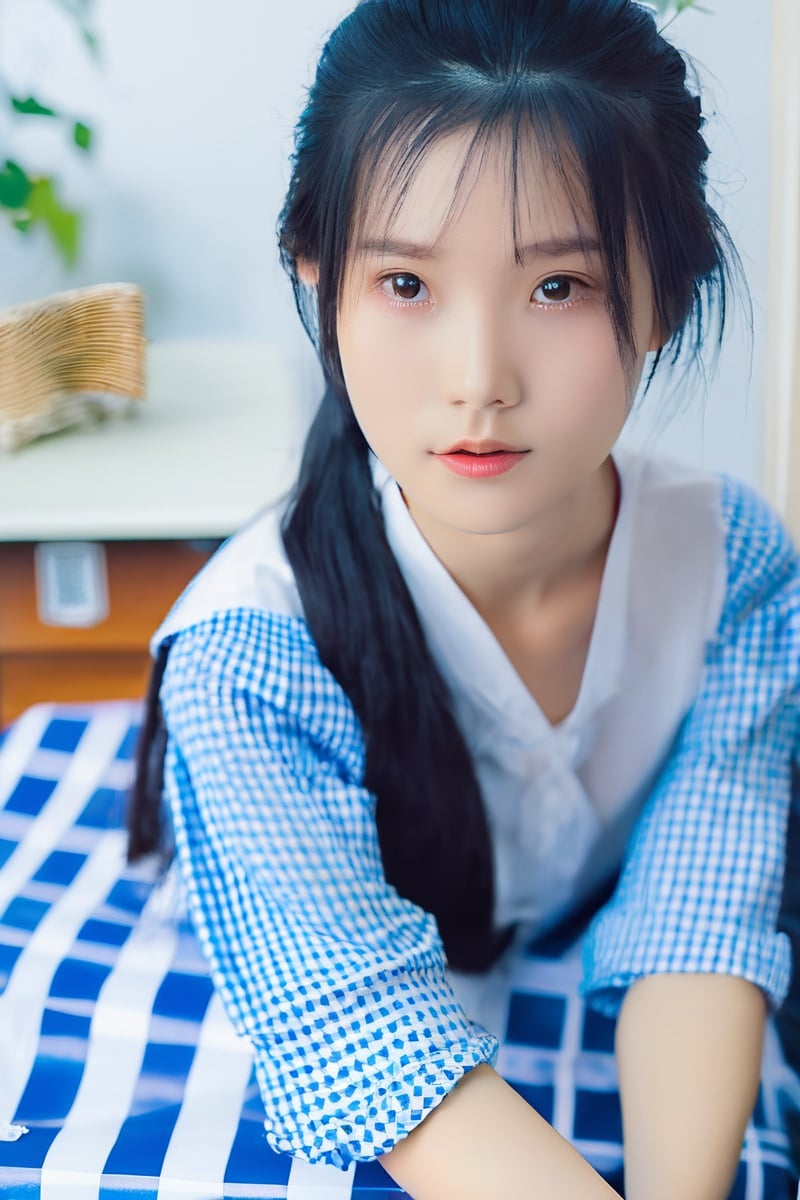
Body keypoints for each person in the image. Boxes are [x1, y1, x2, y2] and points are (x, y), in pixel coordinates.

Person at [128, 0, 800, 1196]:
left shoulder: (733, 568)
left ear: (664, 290)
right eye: (403, 283)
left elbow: (700, 914)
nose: (477, 378)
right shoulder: (248, 656)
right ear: (318, 277)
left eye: (557, 288)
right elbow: (371, 1043)